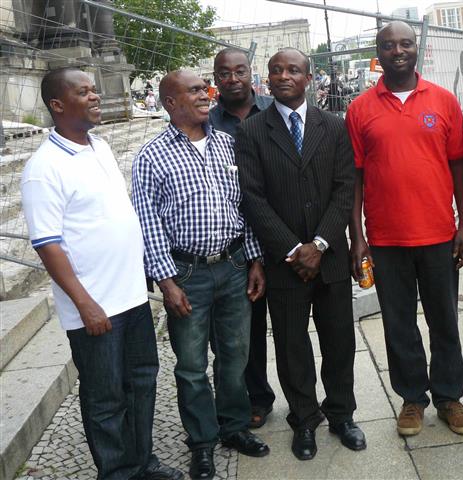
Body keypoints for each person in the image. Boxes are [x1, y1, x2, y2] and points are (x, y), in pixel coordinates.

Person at [21, 68, 182, 480]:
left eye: (95, 89)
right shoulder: (44, 167)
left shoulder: (100, 148)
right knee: (105, 398)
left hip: (131, 296)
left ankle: (142, 462)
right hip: (95, 309)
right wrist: (84, 303)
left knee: (143, 382)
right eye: (84, 92)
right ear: (58, 105)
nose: (95, 97)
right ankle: (117, 473)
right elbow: (48, 244)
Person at [131, 70, 269, 479]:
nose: (205, 94)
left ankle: (234, 427)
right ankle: (202, 442)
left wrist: (256, 259)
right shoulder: (151, 156)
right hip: (186, 272)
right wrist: (166, 280)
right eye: (193, 90)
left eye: (203, 88)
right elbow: (148, 222)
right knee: (191, 365)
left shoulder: (229, 145)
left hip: (233, 265)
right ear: (170, 103)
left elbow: (246, 207)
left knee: (235, 355)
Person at [346, 21, 463, 438]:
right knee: (398, 322)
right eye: (388, 45)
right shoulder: (360, 109)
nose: (397, 51)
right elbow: (355, 180)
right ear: (377, 53)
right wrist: (358, 238)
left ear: (416, 48)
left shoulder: (443, 102)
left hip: (438, 232)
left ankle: (449, 396)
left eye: (404, 43)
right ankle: (412, 398)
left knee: (445, 320)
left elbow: (458, 167)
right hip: (386, 238)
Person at [236, 48, 365, 461]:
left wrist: (321, 244)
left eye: (293, 70)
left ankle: (342, 413)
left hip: (328, 257)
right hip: (284, 261)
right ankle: (305, 419)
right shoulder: (253, 131)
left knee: (339, 339)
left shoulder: (334, 125)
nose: (283, 75)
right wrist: (293, 249)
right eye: (276, 70)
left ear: (310, 78)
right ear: (267, 79)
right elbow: (252, 198)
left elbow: (345, 188)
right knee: (292, 346)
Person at [209, 47, 276, 430]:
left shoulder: (272, 108)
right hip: (234, 236)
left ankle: (305, 397)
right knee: (241, 330)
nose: (232, 79)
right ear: (215, 78)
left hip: (279, 229)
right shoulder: (207, 120)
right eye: (224, 73)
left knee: (287, 323)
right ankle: (255, 397)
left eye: (239, 71)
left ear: (251, 73)